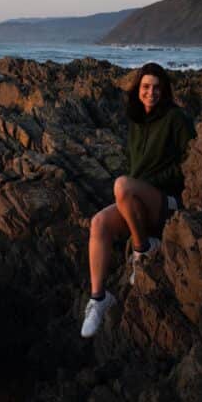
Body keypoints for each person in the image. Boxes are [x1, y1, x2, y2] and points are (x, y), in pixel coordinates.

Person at [80, 62, 196, 338]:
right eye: (146, 87)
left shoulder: (176, 118)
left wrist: (147, 184)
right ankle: (98, 299)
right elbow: (135, 165)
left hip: (168, 202)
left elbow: (190, 161)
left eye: (156, 87)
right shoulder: (135, 120)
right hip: (139, 199)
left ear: (164, 90)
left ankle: (142, 249)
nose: (151, 92)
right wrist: (137, 185)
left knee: (121, 184)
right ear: (138, 89)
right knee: (98, 223)